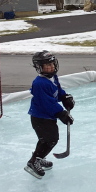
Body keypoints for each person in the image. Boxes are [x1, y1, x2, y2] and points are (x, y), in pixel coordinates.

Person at [25, 51, 74, 179]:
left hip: (47, 116)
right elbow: (47, 103)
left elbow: (57, 90)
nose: (51, 67)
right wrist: (61, 113)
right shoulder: (40, 83)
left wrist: (64, 97)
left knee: (49, 139)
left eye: (52, 64)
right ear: (39, 67)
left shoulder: (52, 77)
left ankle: (39, 158)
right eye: (47, 65)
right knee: (49, 139)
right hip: (40, 118)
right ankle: (33, 161)